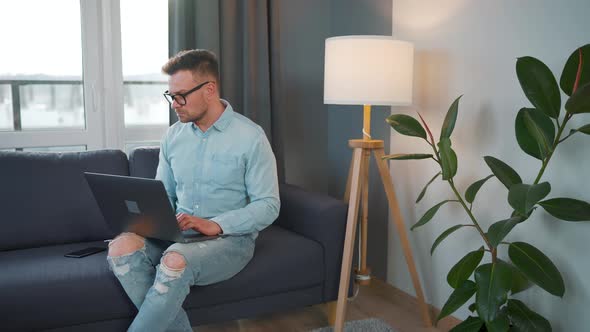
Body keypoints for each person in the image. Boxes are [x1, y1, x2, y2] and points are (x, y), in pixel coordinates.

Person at [106, 49, 280, 332]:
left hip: (230, 241)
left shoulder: (251, 137)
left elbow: (269, 204)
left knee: (175, 260)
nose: (174, 104)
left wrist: (216, 224)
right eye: (171, 96)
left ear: (209, 89)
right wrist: (148, 221)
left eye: (181, 95)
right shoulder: (173, 137)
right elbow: (164, 195)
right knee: (120, 247)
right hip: (178, 233)